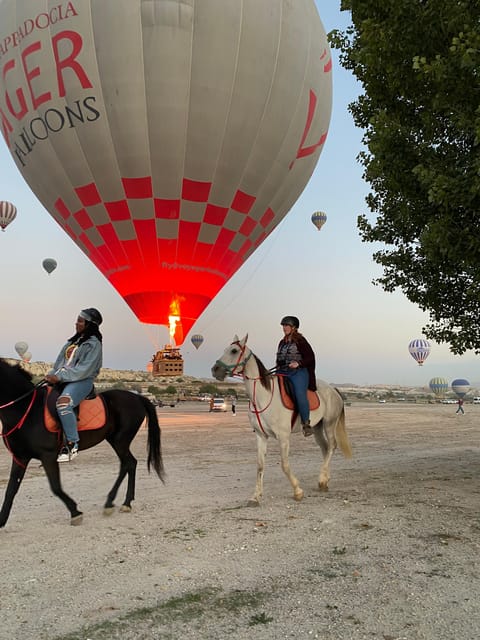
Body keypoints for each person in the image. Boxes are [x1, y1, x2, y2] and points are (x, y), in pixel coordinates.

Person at [45, 308, 103, 462]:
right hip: (63, 378)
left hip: (81, 381)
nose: (76, 323)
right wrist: (51, 374)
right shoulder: (71, 342)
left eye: (80, 321)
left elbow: (84, 370)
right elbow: (59, 363)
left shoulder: (94, 345)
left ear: (89, 324)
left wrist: (59, 377)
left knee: (63, 404)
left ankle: (72, 444)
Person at [276, 315, 317, 437]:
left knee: (299, 393)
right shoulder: (282, 342)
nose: (284, 328)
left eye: (286, 325)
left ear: (294, 327)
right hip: (283, 371)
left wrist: (298, 363)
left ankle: (306, 423)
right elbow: (279, 359)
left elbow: (310, 357)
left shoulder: (301, 341)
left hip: (298, 372)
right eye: (283, 325)